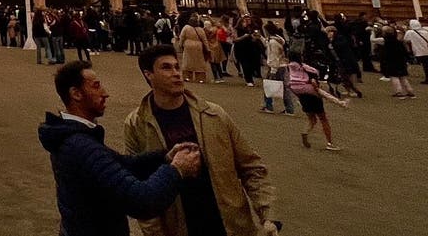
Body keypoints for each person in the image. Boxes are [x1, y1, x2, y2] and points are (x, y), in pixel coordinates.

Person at [124, 44, 280, 236]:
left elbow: (251, 166)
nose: (176, 73)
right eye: (166, 68)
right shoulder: (136, 124)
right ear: (149, 75)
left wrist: (267, 215)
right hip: (179, 225)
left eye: (177, 66)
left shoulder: (214, 114)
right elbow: (141, 187)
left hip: (229, 223)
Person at [39, 60, 199, 236]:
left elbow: (122, 164)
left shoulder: (74, 136)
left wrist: (164, 157)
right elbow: (142, 200)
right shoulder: (81, 145)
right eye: (96, 86)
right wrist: (177, 169)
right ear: (76, 94)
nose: (105, 93)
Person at [286, 51, 344, 151]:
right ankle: (329, 143)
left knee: (311, 119)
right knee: (323, 119)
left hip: (301, 96)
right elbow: (313, 80)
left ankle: (306, 131)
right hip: (312, 94)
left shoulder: (290, 68)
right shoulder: (305, 68)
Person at [260, 23, 295, 115]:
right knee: (284, 87)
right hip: (283, 65)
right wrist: (260, 38)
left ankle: (269, 106)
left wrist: (273, 69)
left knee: (268, 86)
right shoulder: (279, 39)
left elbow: (274, 56)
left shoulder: (272, 42)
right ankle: (289, 108)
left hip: (275, 66)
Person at [379, 24, 416, 98]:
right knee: (403, 77)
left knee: (394, 77)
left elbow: (384, 54)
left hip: (391, 61)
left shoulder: (386, 43)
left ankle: (399, 92)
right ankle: (410, 91)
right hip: (401, 61)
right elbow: (405, 52)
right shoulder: (399, 42)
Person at [177, 15, 210, 84]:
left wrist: (180, 45)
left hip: (188, 45)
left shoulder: (186, 28)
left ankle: (187, 76)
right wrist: (207, 48)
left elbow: (182, 37)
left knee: (187, 61)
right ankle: (200, 78)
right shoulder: (200, 29)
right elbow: (204, 40)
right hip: (198, 46)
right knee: (199, 61)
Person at [405, 18, 428, 85]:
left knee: (425, 66)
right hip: (426, 49)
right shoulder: (425, 31)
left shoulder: (410, 32)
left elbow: (406, 40)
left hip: (420, 51)